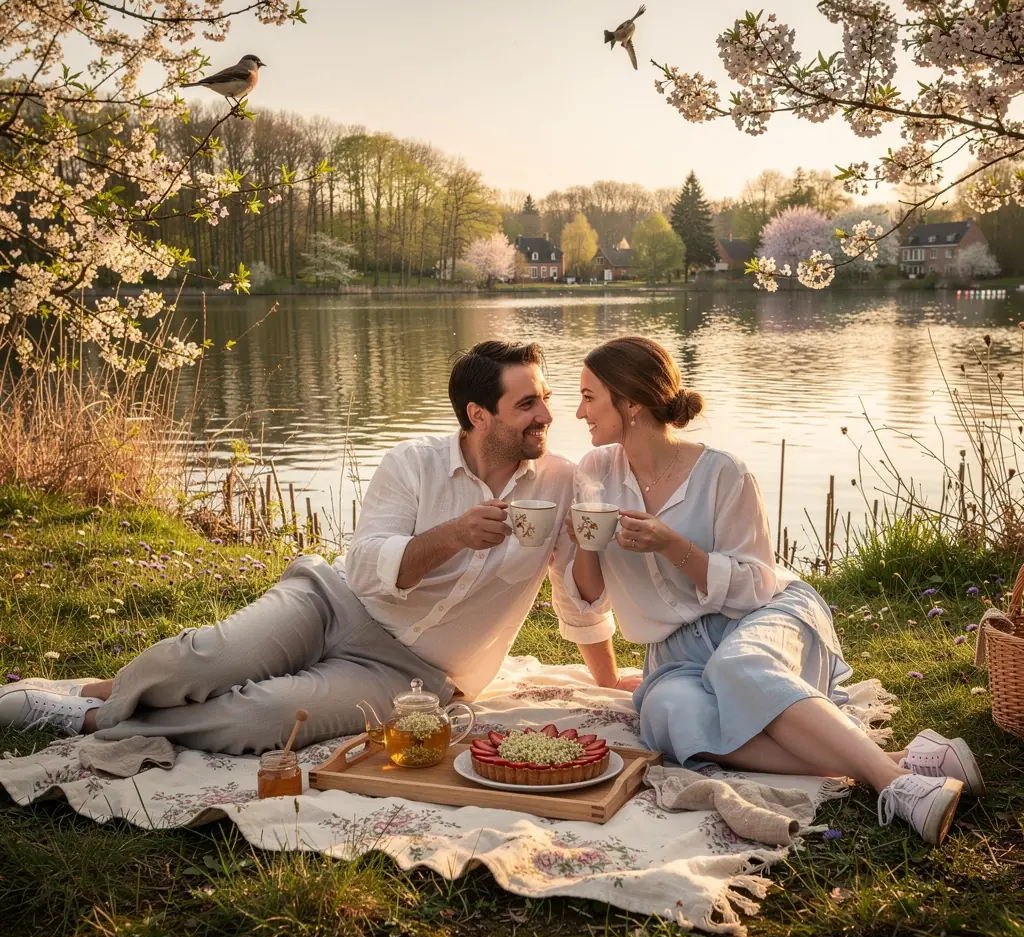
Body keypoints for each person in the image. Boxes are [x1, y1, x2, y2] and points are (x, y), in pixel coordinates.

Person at [0, 341, 630, 754]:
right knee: (203, 660)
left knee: (263, 719)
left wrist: (606, 682)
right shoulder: (412, 463)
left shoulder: (562, 483)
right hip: (332, 605)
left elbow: (577, 595)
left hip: (412, 676)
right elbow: (363, 565)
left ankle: (85, 718)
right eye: (528, 402)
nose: (547, 413)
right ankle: (112, 690)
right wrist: (456, 534)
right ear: (478, 414)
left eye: (547, 397)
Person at [564, 335, 984, 845]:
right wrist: (585, 538)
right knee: (668, 716)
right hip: (675, 649)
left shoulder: (722, 473)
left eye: (589, 396)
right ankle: (914, 761)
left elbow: (753, 586)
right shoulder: (594, 472)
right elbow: (590, 592)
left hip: (762, 615)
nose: (579, 410)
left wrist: (673, 544)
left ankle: (895, 785)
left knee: (738, 666)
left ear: (629, 402)